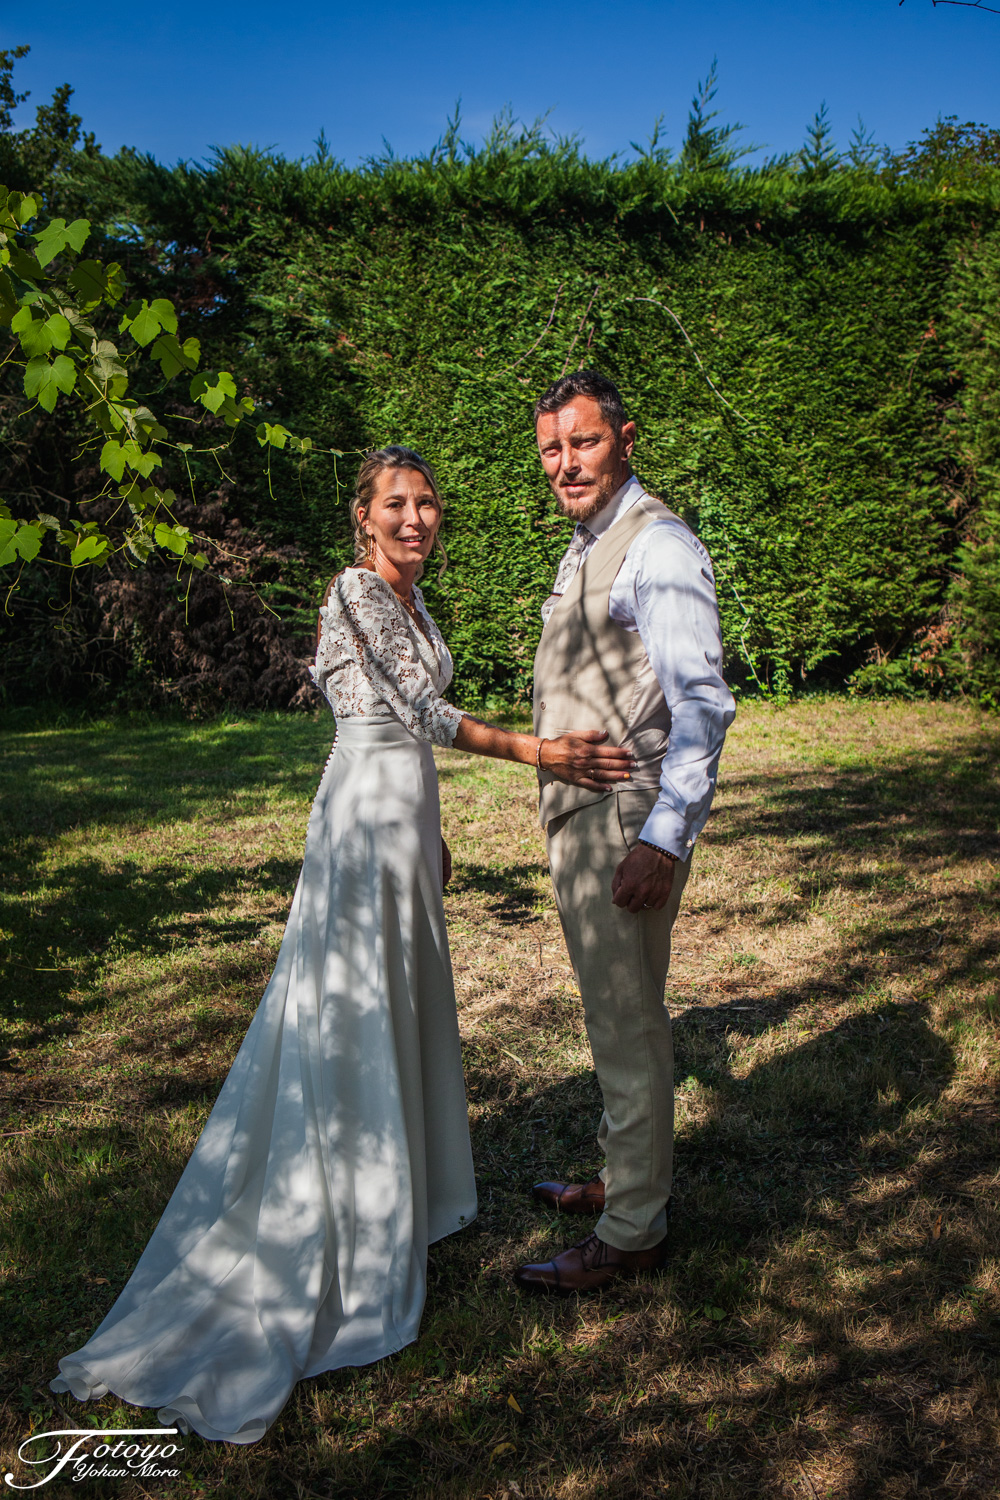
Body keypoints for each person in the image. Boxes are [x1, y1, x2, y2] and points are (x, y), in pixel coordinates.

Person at [51, 445, 632, 1443]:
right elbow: (419, 712)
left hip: (401, 816)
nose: (416, 518)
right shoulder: (355, 589)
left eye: (427, 502)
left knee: (399, 1001)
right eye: (395, 504)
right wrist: (543, 751)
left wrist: (433, 829)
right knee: (353, 1008)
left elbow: (400, 722)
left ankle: (394, 1205)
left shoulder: (413, 601)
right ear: (363, 517)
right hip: (362, 822)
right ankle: (337, 1224)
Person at [514, 373, 736, 1295]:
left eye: (584, 442)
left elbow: (703, 705)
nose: (566, 463)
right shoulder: (588, 544)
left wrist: (663, 838)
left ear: (626, 438)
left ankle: (633, 1229)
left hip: (625, 821)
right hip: (587, 816)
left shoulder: (658, 546)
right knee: (616, 1010)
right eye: (552, 449)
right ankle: (623, 1175)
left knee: (628, 1020)